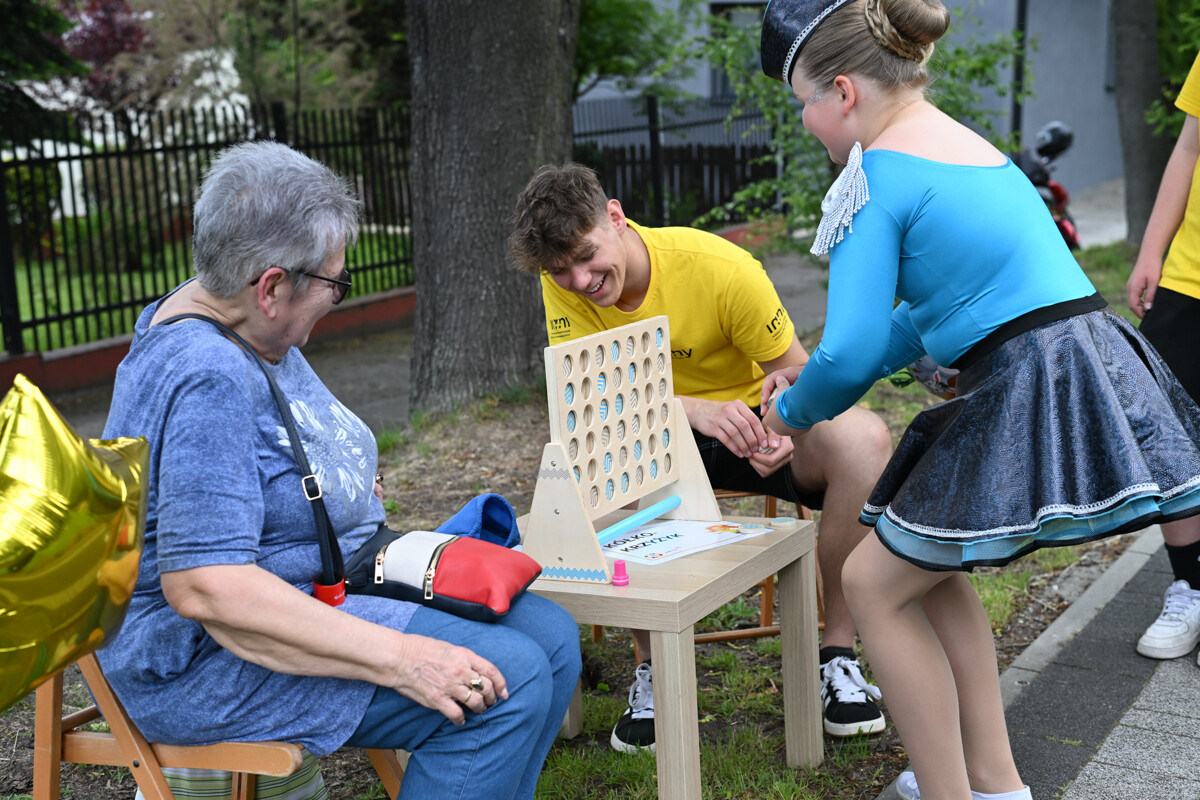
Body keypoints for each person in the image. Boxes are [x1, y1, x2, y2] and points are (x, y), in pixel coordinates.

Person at [758, 1, 1200, 799]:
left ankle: (954, 792)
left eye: (804, 105)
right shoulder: (960, 143)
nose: (806, 124)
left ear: (846, 92)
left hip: (1029, 377)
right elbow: (925, 318)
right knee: (928, 561)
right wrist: (810, 382)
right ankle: (994, 784)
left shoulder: (876, 174)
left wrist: (790, 414)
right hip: (1066, 358)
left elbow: (854, 349)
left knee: (869, 584)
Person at [98, 141, 582, 800]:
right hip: (204, 663)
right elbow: (205, 586)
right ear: (270, 286)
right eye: (335, 282)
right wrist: (407, 659)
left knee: (550, 637)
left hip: (311, 586)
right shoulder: (204, 373)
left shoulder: (232, 313)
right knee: (503, 683)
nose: (335, 296)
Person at [509, 162, 895, 753]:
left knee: (863, 439)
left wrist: (786, 427)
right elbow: (587, 402)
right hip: (654, 443)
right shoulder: (562, 280)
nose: (580, 279)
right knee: (610, 456)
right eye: (560, 270)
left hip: (755, 428)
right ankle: (654, 671)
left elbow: (792, 373)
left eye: (587, 256)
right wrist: (688, 409)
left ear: (615, 216)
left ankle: (835, 657)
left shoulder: (719, 267)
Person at [1126, 49, 1200, 665]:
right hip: (1188, 280)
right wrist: (1153, 250)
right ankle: (1191, 585)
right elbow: (1189, 148)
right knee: (1160, 432)